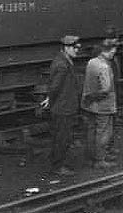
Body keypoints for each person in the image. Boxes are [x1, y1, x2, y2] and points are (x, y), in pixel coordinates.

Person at [41, 34, 82, 176]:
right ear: (66, 48)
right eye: (74, 48)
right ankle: (58, 166)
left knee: (61, 136)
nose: (77, 50)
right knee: (62, 137)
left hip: (64, 105)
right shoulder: (62, 65)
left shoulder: (63, 60)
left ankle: (57, 162)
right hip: (63, 107)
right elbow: (55, 87)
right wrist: (50, 99)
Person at [81, 37, 119, 169]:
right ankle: (100, 160)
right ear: (109, 51)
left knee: (91, 130)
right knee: (103, 132)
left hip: (89, 105)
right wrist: (96, 97)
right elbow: (106, 89)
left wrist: (89, 98)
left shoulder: (92, 62)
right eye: (113, 51)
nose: (114, 54)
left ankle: (91, 156)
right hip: (103, 105)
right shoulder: (104, 66)